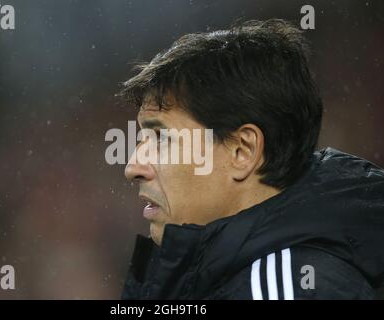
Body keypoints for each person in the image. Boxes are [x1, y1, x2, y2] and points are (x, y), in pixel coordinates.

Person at [118, 19, 384, 299]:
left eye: (162, 138)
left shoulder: (285, 290)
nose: (132, 167)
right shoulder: (234, 278)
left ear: (242, 151)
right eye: (141, 140)